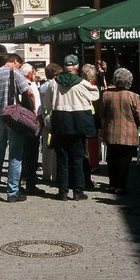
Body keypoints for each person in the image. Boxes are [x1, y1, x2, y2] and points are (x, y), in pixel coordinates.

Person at [44, 54, 99, 202]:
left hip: (60, 122)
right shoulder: (82, 83)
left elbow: (47, 105)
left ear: (65, 67)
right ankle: (78, 191)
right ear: (76, 67)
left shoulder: (54, 83)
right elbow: (95, 96)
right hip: (78, 122)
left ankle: (63, 191)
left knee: (62, 158)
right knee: (78, 158)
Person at [0, 53, 37, 202]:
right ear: (15, 62)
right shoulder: (15, 73)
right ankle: (12, 192)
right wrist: (32, 109)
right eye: (19, 65)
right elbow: (28, 91)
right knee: (15, 155)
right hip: (13, 117)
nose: (19, 68)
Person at [100, 68, 140, 195]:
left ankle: (112, 184)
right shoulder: (133, 97)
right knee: (125, 161)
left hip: (111, 132)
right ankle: (121, 185)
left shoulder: (106, 95)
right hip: (128, 134)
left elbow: (102, 114)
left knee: (112, 160)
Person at [20, 63, 44, 195]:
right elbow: (37, 108)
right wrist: (39, 121)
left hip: (21, 122)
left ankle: (22, 178)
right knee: (32, 153)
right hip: (31, 122)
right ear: (30, 74)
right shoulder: (31, 87)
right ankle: (30, 183)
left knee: (23, 153)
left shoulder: (18, 84)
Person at [38, 63, 61, 184]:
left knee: (46, 147)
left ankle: (46, 173)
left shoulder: (42, 86)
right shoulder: (55, 85)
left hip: (44, 116)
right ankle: (56, 174)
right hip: (54, 117)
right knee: (55, 146)